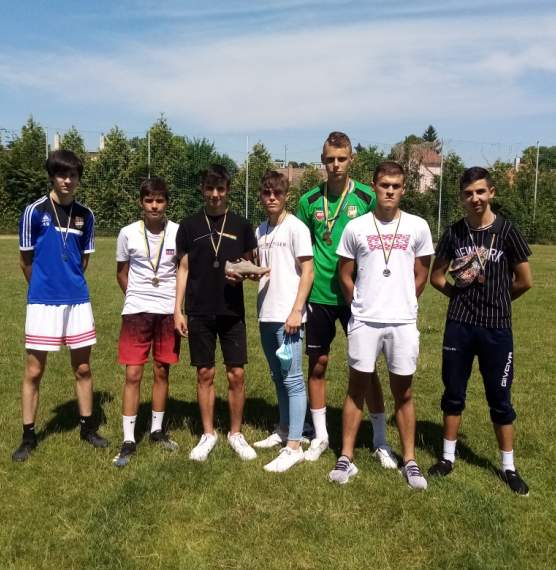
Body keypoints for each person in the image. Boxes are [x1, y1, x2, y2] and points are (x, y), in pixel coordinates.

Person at [428, 166, 533, 495]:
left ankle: (508, 467)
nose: (475, 198)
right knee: (453, 392)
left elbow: (525, 280)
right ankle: (447, 458)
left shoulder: (507, 231)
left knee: (500, 397)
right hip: (459, 326)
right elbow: (436, 277)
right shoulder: (454, 232)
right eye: (468, 193)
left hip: (496, 329)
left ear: (491, 193)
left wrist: (498, 300)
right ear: (461, 197)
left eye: (480, 192)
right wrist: (458, 297)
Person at [329, 161, 434, 488]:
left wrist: (406, 302)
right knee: (356, 388)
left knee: (404, 391)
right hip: (365, 320)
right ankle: (346, 457)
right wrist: (359, 304)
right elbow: (345, 274)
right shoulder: (356, 227)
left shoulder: (418, 226)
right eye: (384, 185)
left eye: (396, 186)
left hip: (402, 321)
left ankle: (410, 461)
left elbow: (422, 274)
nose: (390, 191)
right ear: (373, 186)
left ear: (404, 189)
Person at [296, 132, 396, 468]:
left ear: (351, 159)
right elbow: (302, 248)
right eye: (330, 159)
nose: (336, 165)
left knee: (367, 369)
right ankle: (321, 435)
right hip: (320, 295)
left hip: (359, 296)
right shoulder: (309, 200)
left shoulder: (367, 197)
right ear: (322, 161)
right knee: (318, 363)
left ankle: (380, 439)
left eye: (341, 159)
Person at [13, 149, 108, 462]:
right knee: (34, 369)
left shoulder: (86, 215)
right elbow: (26, 260)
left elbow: (83, 261)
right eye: (61, 174)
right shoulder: (34, 212)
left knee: (83, 368)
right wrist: (43, 287)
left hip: (77, 301)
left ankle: (87, 428)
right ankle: (29, 436)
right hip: (42, 302)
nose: (67, 180)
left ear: (78, 178)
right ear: (52, 176)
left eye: (73, 175)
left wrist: (69, 284)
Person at [174, 165, 258, 462]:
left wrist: (246, 275)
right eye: (209, 189)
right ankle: (208, 433)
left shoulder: (242, 225)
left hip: (231, 310)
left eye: (220, 189)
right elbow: (183, 269)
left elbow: (250, 266)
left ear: (228, 191)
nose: (215, 194)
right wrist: (177, 310)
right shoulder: (188, 226)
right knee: (204, 372)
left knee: (236, 373)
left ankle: (235, 433)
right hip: (199, 309)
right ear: (202, 190)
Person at [112, 177, 181, 467]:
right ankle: (129, 439)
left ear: (167, 203)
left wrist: (177, 307)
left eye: (160, 200)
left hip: (167, 311)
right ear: (141, 203)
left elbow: (183, 271)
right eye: (149, 200)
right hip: (136, 311)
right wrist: (136, 297)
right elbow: (121, 272)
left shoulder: (177, 232)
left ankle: (156, 431)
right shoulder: (127, 233)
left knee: (162, 370)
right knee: (133, 373)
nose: (154, 206)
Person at [253, 171, 314, 472]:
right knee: (277, 376)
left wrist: (296, 311)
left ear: (287, 195)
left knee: (293, 379)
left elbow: (308, 271)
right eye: (267, 192)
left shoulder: (297, 228)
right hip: (266, 314)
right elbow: (264, 269)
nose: (272, 197)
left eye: (277, 192)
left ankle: (294, 445)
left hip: (288, 316)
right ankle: (284, 428)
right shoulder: (260, 230)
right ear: (261, 196)